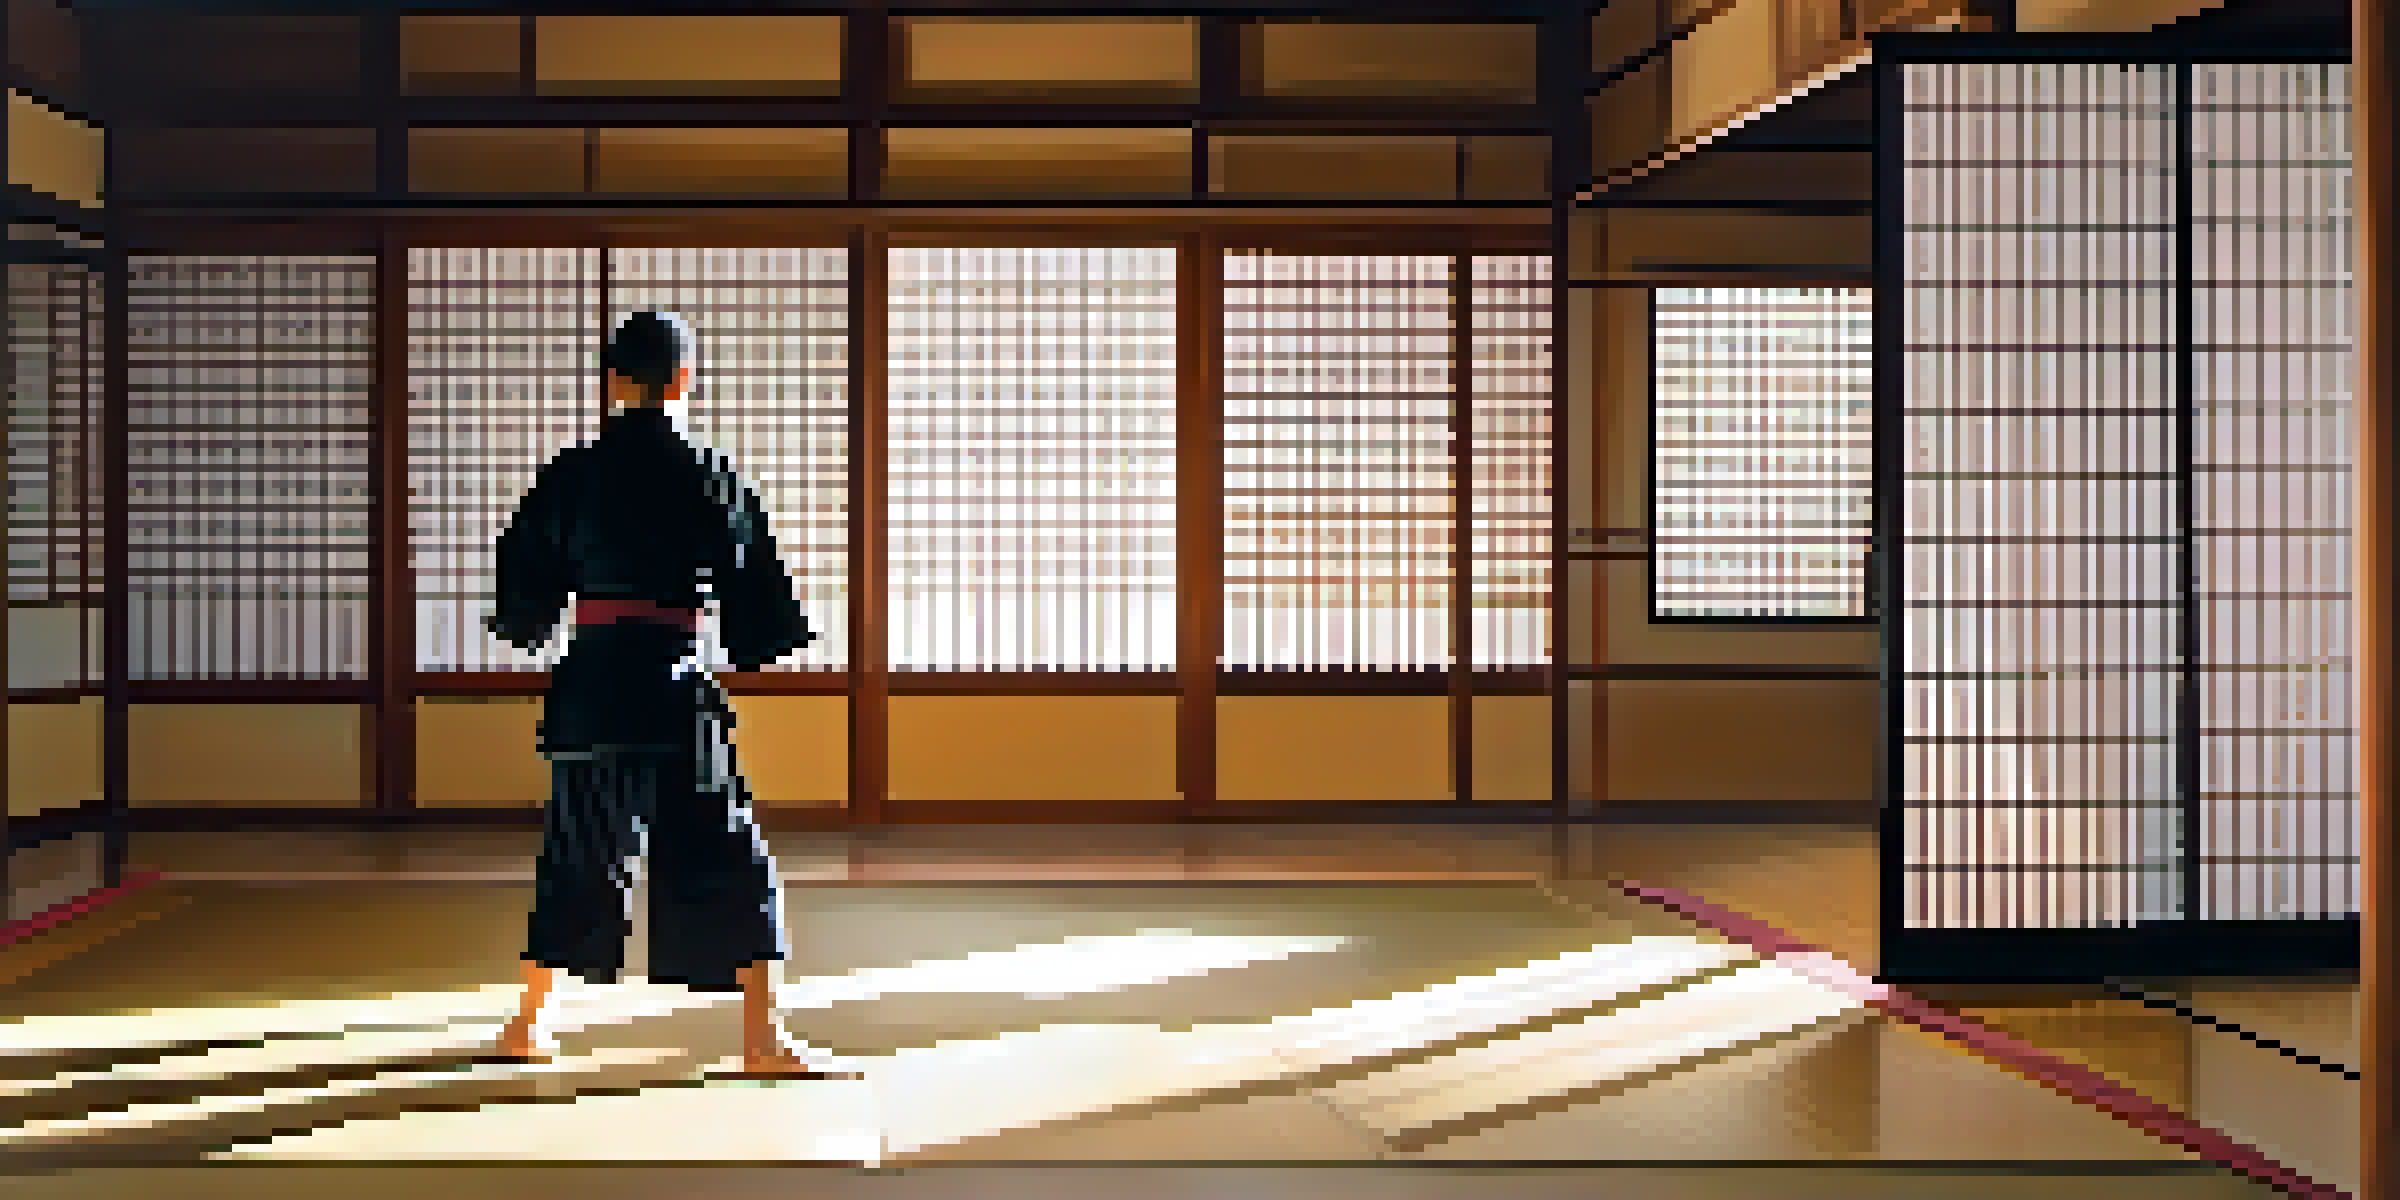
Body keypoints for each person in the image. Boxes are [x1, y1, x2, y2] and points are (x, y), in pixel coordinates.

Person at [481, 309, 850, 1078]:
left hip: (588, 690)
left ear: (613, 382)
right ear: (684, 380)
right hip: (673, 687)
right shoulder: (710, 473)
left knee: (576, 853)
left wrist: (530, 621)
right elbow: (754, 594)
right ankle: (762, 1039)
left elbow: (524, 579)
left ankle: (526, 1022)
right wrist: (753, 638)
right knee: (731, 858)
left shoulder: (571, 474)